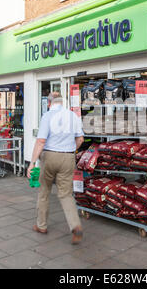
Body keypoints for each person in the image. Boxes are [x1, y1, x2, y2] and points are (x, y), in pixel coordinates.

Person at [27, 92, 85, 244]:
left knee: (44, 191)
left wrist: (32, 162)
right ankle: (75, 226)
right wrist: (72, 150)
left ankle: (41, 225)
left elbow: (40, 141)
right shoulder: (73, 116)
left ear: (49, 103)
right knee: (66, 194)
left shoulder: (48, 116)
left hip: (50, 156)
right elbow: (80, 139)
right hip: (68, 157)